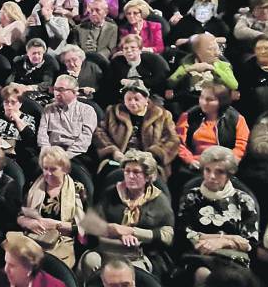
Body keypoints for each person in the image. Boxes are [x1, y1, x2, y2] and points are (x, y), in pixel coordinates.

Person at [79, 150, 174, 280]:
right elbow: (91, 223)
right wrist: (113, 229)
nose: (130, 176)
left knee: (136, 270)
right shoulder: (112, 193)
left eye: (136, 172)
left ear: (147, 176)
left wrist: (133, 232)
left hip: (142, 254)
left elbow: (168, 235)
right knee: (91, 260)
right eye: (127, 171)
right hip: (109, 249)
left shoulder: (158, 200)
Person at [176, 146, 259, 287]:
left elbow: (251, 241)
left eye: (219, 172)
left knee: (232, 279)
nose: (211, 176)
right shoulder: (191, 196)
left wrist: (221, 242)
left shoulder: (244, 200)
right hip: (200, 256)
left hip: (234, 259)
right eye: (207, 170)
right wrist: (231, 238)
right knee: (203, 274)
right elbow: (183, 233)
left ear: (229, 175)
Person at [17, 147, 85, 267]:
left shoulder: (77, 189)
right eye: (45, 168)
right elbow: (19, 215)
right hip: (33, 239)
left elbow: (83, 229)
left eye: (53, 169)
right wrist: (27, 222)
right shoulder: (33, 185)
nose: (47, 173)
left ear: (65, 169)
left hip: (61, 243)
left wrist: (55, 225)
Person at [96, 80, 180, 177]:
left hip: (150, 161)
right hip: (119, 160)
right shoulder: (113, 112)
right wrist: (114, 151)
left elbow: (172, 139)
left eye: (136, 99)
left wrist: (153, 154)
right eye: (129, 99)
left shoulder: (162, 115)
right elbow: (100, 134)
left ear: (146, 100)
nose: (132, 102)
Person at [167, 34, 238, 111]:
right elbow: (170, 83)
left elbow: (234, 85)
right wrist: (189, 70)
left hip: (214, 100)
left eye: (217, 49)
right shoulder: (186, 64)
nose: (216, 53)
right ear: (198, 52)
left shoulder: (223, 65)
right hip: (190, 100)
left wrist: (214, 70)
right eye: (211, 49)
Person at [37, 75, 97, 160]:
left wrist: (65, 156)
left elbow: (84, 140)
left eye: (61, 90)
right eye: (55, 89)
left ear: (74, 92)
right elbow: (42, 135)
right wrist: (47, 153)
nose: (57, 93)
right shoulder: (48, 108)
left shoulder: (87, 111)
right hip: (51, 152)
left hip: (75, 154)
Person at [0, 232, 66, 287]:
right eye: (6, 262)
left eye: (12, 265)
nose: (6, 269)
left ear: (29, 268)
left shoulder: (56, 286)